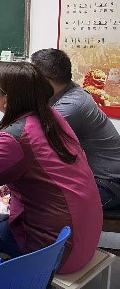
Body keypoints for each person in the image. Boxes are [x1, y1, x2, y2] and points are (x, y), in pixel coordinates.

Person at [0, 62, 102, 274]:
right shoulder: (50, 116)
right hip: (83, 234)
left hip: (56, 251)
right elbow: (22, 148)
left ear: (7, 99)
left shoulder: (15, 137)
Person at [31, 48, 120, 210]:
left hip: (108, 184)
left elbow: (31, 138)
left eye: (32, 76)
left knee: (36, 200)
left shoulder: (71, 105)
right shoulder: (64, 91)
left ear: (44, 80)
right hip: (94, 175)